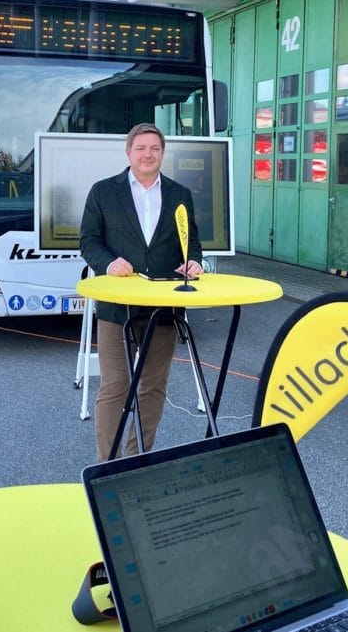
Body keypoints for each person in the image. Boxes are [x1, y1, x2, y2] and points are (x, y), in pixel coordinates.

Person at [80, 122, 204, 461]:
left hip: (163, 308)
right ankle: (107, 464)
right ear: (129, 153)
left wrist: (194, 262)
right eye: (141, 148)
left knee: (152, 388)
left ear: (162, 153)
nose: (148, 154)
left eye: (155, 148)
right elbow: (88, 241)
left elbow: (191, 242)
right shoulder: (104, 192)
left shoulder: (180, 194)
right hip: (117, 308)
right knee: (115, 385)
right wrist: (107, 263)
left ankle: (138, 460)